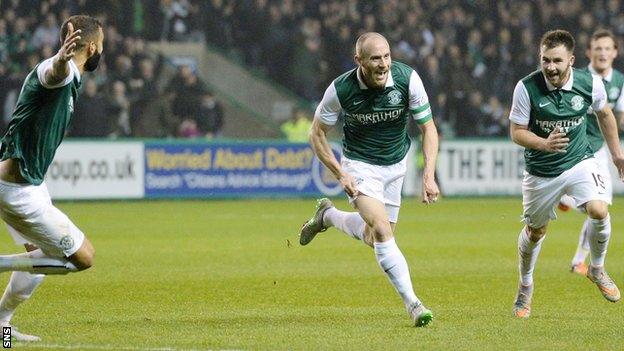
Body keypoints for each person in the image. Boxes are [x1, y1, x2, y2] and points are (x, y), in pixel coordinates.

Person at [299, 32, 440, 327]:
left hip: (396, 165)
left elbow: (428, 128)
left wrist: (428, 175)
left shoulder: (408, 79)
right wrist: (341, 173)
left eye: (387, 56)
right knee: (380, 229)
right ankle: (413, 304)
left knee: (371, 235)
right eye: (375, 58)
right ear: (359, 60)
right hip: (360, 166)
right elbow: (316, 134)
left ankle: (327, 216)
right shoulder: (341, 89)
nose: (383, 64)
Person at [0, 15, 103, 341]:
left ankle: (2, 325)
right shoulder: (62, 71)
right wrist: (60, 59)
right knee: (81, 258)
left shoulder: (72, 78)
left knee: (38, 260)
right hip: (18, 192)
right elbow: (52, 73)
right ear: (92, 46)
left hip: (26, 185)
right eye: (101, 44)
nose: (102, 49)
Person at [508, 30, 624, 319]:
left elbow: (606, 114)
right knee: (536, 232)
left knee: (599, 209)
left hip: (579, 161)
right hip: (541, 171)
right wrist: (544, 144)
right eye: (545, 60)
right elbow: (517, 132)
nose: (550, 67)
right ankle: (525, 286)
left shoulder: (590, 83)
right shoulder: (526, 88)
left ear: (571, 60)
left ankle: (596, 268)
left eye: (557, 61)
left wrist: (617, 154)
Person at [557, 29, 624, 276]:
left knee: (599, 207)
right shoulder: (577, 78)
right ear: (589, 52)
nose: (603, 53)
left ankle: (578, 259)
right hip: (573, 148)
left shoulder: (619, 82)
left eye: (608, 48)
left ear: (615, 52)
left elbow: (617, 118)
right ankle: (566, 198)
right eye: (598, 48)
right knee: (598, 205)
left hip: (598, 150)